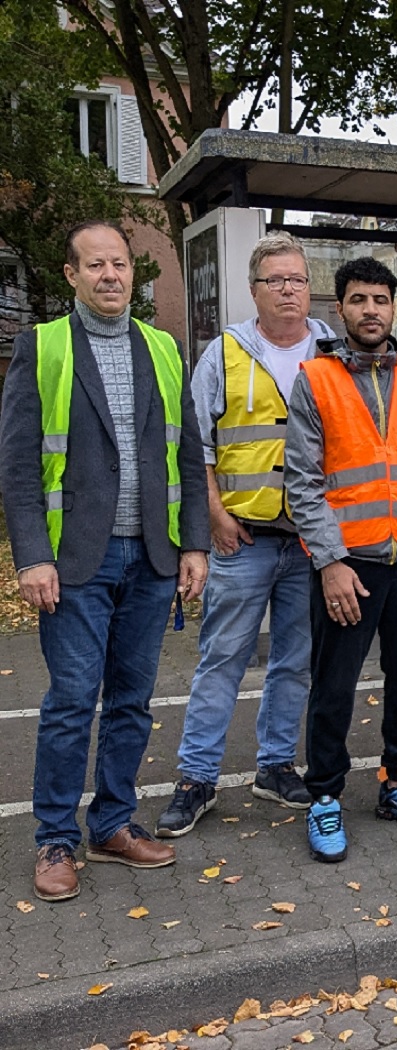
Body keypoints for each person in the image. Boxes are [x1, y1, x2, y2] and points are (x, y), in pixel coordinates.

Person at [1, 221, 209, 902]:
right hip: (74, 562)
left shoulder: (164, 348)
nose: (110, 276)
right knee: (69, 703)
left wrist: (194, 543)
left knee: (130, 703)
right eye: (95, 266)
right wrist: (31, 555)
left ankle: (113, 824)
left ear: (133, 273)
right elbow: (18, 466)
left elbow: (187, 456)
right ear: (71, 276)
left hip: (152, 556)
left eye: (119, 264)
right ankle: (55, 840)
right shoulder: (43, 346)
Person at [157, 233, 334, 839]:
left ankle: (276, 765)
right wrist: (212, 515)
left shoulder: (332, 349)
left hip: (309, 542)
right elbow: (196, 442)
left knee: (295, 662)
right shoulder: (224, 352)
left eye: (298, 279)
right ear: (254, 290)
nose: (289, 289)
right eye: (276, 280)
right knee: (221, 661)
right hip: (244, 538)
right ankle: (196, 778)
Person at [284, 257, 397, 864]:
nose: (371, 311)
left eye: (381, 300)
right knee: (334, 686)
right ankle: (325, 796)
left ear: (393, 307)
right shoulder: (316, 380)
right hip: (348, 564)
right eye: (359, 300)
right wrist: (329, 562)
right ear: (341, 308)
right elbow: (301, 484)